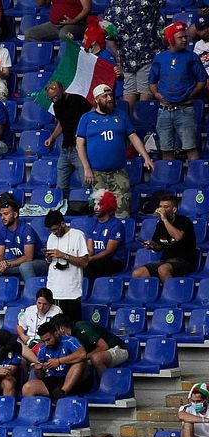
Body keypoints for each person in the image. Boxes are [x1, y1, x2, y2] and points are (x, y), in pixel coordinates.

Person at [76, 84, 154, 218]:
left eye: (111, 95)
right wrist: (86, 167)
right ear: (96, 99)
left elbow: (133, 137)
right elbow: (79, 145)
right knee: (101, 209)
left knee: (122, 208)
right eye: (105, 96)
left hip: (119, 172)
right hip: (97, 173)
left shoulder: (121, 116)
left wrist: (146, 157)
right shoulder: (87, 118)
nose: (109, 98)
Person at [150, 22, 205, 161]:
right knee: (166, 149)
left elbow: (202, 80)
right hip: (164, 111)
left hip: (185, 110)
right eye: (180, 37)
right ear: (170, 39)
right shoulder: (160, 58)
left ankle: (196, 180)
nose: (185, 40)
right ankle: (167, 179)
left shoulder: (192, 57)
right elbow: (152, 82)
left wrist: (191, 94)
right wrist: (156, 94)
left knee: (190, 148)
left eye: (185, 36)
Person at [133, 192, 199, 281]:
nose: (162, 209)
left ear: (174, 209)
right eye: (160, 206)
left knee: (163, 269)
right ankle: (151, 294)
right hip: (166, 260)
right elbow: (158, 246)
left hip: (185, 261)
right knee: (138, 273)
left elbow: (178, 237)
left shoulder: (184, 221)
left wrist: (164, 219)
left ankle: (171, 294)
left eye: (166, 207)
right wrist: (151, 245)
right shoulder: (160, 224)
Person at [43, 81, 93, 196]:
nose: (54, 100)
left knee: (87, 182)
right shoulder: (56, 105)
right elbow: (61, 122)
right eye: (51, 98)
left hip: (80, 148)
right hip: (65, 149)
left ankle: (88, 207)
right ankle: (63, 208)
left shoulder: (77, 100)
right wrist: (52, 137)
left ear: (63, 90)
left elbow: (93, 115)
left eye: (56, 96)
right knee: (61, 186)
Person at [22, 320, 91, 400]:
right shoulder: (42, 348)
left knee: (79, 362)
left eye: (48, 339)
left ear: (56, 334)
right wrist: (39, 367)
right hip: (56, 380)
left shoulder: (69, 340)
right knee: (27, 388)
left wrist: (59, 361)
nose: (46, 343)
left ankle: (62, 393)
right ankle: (36, 411)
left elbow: (82, 354)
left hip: (76, 381)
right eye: (44, 341)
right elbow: (40, 376)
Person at [42, 210, 89, 320]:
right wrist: (48, 258)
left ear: (63, 224)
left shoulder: (78, 235)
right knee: (54, 329)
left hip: (71, 291)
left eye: (55, 229)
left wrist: (64, 255)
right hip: (53, 289)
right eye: (51, 230)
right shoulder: (51, 237)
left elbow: (85, 262)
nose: (54, 233)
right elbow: (50, 261)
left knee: (72, 327)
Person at [53, 314, 129, 376]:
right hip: (95, 354)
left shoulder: (82, 327)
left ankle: (106, 385)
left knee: (96, 358)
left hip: (117, 349)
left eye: (55, 332)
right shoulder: (68, 339)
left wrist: (85, 356)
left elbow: (104, 346)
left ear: (61, 328)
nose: (55, 335)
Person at [0, 196, 46, 280]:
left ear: (15, 214)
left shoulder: (26, 230)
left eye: (6, 214)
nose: (2, 218)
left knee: (25, 267)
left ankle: (32, 291)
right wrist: (1, 263)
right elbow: (0, 254)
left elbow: (28, 257)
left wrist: (8, 264)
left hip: (39, 262)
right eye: (1, 215)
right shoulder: (2, 231)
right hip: (19, 262)